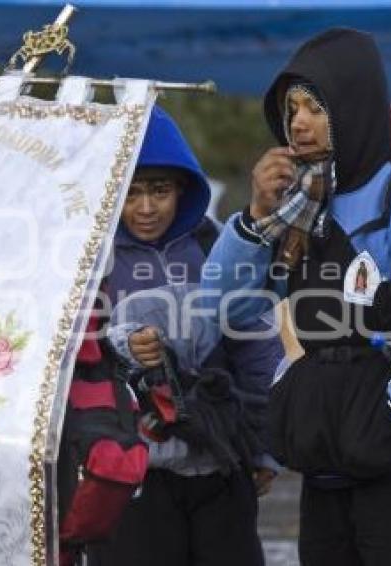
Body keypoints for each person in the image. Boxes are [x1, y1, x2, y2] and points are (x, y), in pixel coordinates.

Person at [201, 28, 391, 566]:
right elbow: (226, 310)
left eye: (315, 107)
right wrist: (253, 220)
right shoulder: (300, 206)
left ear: (354, 105)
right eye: (290, 108)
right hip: (328, 462)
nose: (297, 122)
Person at [85, 105, 284, 566]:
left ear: (184, 189)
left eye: (159, 191)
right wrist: (123, 347)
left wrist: (265, 449)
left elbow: (257, 351)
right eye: (131, 193)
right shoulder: (89, 263)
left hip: (220, 459)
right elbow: (68, 356)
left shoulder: (218, 250)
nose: (146, 208)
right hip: (128, 471)